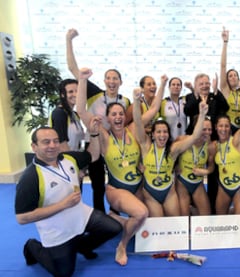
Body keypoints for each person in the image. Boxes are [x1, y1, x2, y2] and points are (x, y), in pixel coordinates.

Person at [76, 68, 165, 266]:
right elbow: (81, 110)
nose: (117, 117)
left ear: (125, 117)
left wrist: (163, 84)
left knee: (155, 218)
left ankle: (118, 220)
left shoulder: (133, 129)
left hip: (138, 187)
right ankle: (122, 245)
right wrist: (82, 81)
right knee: (141, 213)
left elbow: (154, 108)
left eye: (120, 114)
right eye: (113, 114)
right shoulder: (105, 136)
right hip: (117, 190)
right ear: (108, 118)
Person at [15, 125, 122, 277]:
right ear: (34, 146)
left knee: (113, 228)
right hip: (57, 231)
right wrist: (62, 205)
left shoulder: (68, 158)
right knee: (64, 273)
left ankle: (83, 247)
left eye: (55, 141)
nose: (52, 146)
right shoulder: (30, 178)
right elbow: (22, 218)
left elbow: (93, 155)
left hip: (81, 215)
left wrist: (94, 134)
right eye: (46, 142)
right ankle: (32, 246)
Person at [66, 28, 132, 212]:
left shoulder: (125, 101)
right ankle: (99, 214)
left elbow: (132, 123)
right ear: (104, 81)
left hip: (115, 147)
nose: (112, 81)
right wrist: (69, 40)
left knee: (116, 181)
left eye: (115, 79)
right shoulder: (94, 94)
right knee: (97, 184)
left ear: (120, 82)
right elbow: (73, 69)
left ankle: (115, 213)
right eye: (109, 78)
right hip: (94, 144)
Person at [134, 85, 209, 217]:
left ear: (169, 134)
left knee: (175, 224)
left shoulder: (173, 150)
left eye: (165, 132)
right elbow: (138, 123)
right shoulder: (146, 147)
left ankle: (192, 211)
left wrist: (202, 115)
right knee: (160, 223)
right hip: (151, 193)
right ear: (153, 134)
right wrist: (135, 101)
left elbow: (195, 137)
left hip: (169, 192)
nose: (162, 135)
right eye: (159, 132)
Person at [184, 73, 229, 214]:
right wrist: (196, 95)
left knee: (213, 172)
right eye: (201, 83)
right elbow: (187, 111)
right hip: (195, 142)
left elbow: (225, 107)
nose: (205, 86)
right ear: (196, 85)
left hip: (211, 140)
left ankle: (213, 202)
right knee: (192, 171)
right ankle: (191, 202)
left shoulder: (214, 97)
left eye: (207, 83)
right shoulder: (191, 97)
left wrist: (216, 91)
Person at [214, 81, 240, 226]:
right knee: (221, 224)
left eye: (226, 126)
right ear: (216, 128)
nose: (223, 129)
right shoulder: (214, 146)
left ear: (229, 127)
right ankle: (233, 211)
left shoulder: (237, 140)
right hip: (223, 187)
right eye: (220, 126)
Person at [176, 117, 216, 216]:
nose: (207, 132)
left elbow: (211, 167)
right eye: (204, 129)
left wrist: (206, 172)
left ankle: (193, 210)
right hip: (182, 183)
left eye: (209, 129)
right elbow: (170, 154)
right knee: (184, 217)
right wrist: (175, 166)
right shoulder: (183, 139)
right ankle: (190, 209)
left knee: (206, 216)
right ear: (196, 129)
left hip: (197, 183)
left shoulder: (210, 146)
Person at [49, 79, 84, 152]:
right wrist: (71, 161)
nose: (75, 94)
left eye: (77, 91)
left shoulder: (75, 114)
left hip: (75, 156)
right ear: (62, 94)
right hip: (65, 159)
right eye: (70, 92)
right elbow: (62, 144)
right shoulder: (59, 113)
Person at [220, 27, 240, 134]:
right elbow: (223, 66)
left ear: (239, 79)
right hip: (228, 128)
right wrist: (225, 42)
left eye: (235, 75)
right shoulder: (226, 91)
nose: (233, 77)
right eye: (230, 76)